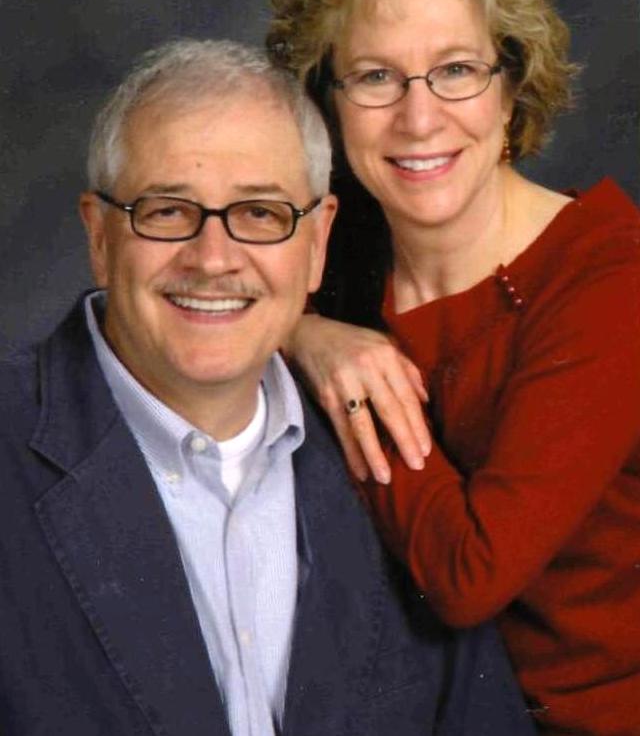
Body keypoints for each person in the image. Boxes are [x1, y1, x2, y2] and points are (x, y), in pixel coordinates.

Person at [0, 38, 534, 736]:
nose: (213, 259)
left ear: (317, 243)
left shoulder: (397, 447)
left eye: (261, 213)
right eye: (166, 211)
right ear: (100, 236)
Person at [267, 0, 640, 736]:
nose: (418, 116)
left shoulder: (608, 278)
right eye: (375, 76)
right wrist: (303, 331)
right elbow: (172, 305)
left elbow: (471, 574)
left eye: (457, 70)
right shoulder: (341, 252)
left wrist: (355, 390)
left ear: (511, 89)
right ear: (327, 100)